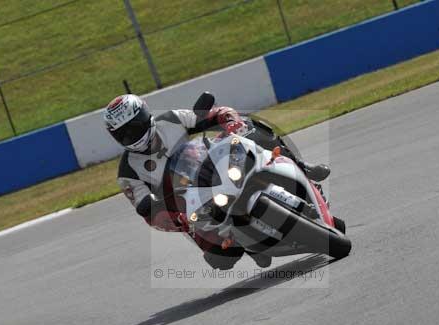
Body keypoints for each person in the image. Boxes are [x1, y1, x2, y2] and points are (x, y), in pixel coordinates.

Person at [104, 94, 330, 270]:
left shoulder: (171, 119)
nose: (131, 136)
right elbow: (147, 212)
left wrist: (231, 122)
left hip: (213, 164)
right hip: (190, 204)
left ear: (146, 115)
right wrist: (171, 218)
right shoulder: (128, 172)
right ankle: (249, 244)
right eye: (123, 134)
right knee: (220, 258)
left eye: (134, 127)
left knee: (252, 128)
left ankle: (301, 167)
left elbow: (213, 115)